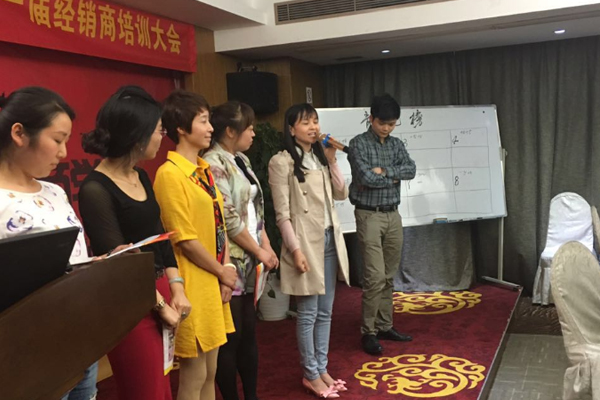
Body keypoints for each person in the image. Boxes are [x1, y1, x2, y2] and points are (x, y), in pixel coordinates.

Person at [0, 86, 127, 400]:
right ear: (19, 133)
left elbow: (70, 259)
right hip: (27, 352)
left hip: (79, 337)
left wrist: (98, 265)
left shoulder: (54, 192)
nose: (63, 153)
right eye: (57, 140)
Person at [78, 86, 191, 400]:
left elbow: (159, 235)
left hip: (160, 291)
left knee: (163, 388)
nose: (162, 137)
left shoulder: (140, 176)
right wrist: (160, 306)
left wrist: (177, 287)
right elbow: (118, 260)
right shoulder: (95, 189)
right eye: (159, 131)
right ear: (137, 135)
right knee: (145, 392)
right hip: (130, 302)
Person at [155, 90, 237, 400]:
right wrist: (221, 271)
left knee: (210, 372)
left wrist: (226, 269)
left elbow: (219, 225)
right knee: (194, 375)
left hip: (213, 279)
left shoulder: (203, 171)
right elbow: (183, 239)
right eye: (203, 121)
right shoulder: (169, 174)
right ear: (180, 128)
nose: (210, 128)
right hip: (190, 283)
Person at [268, 103, 350, 398]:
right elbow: (282, 215)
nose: (313, 127)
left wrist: (332, 159)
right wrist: (295, 250)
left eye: (315, 121)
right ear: (291, 129)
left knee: (326, 311)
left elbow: (341, 193)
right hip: (304, 244)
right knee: (308, 312)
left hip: (328, 239)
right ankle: (311, 374)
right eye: (305, 122)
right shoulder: (282, 162)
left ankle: (322, 368)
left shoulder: (319, 158)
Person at [204, 101, 279, 400]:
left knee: (249, 333)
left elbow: (255, 210)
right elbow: (228, 217)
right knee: (231, 338)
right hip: (230, 259)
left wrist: (266, 244)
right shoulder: (213, 162)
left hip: (251, 256)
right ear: (230, 131)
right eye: (248, 128)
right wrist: (259, 251)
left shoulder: (241, 160)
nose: (253, 134)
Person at [347, 94, 416, 356]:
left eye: (392, 124)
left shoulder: (397, 144)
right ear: (371, 118)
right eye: (382, 123)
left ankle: (385, 325)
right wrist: (391, 177)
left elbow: (411, 170)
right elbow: (365, 178)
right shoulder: (358, 144)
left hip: (393, 215)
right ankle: (368, 331)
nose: (387, 128)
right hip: (369, 215)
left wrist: (385, 172)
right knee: (374, 277)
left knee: (388, 276)